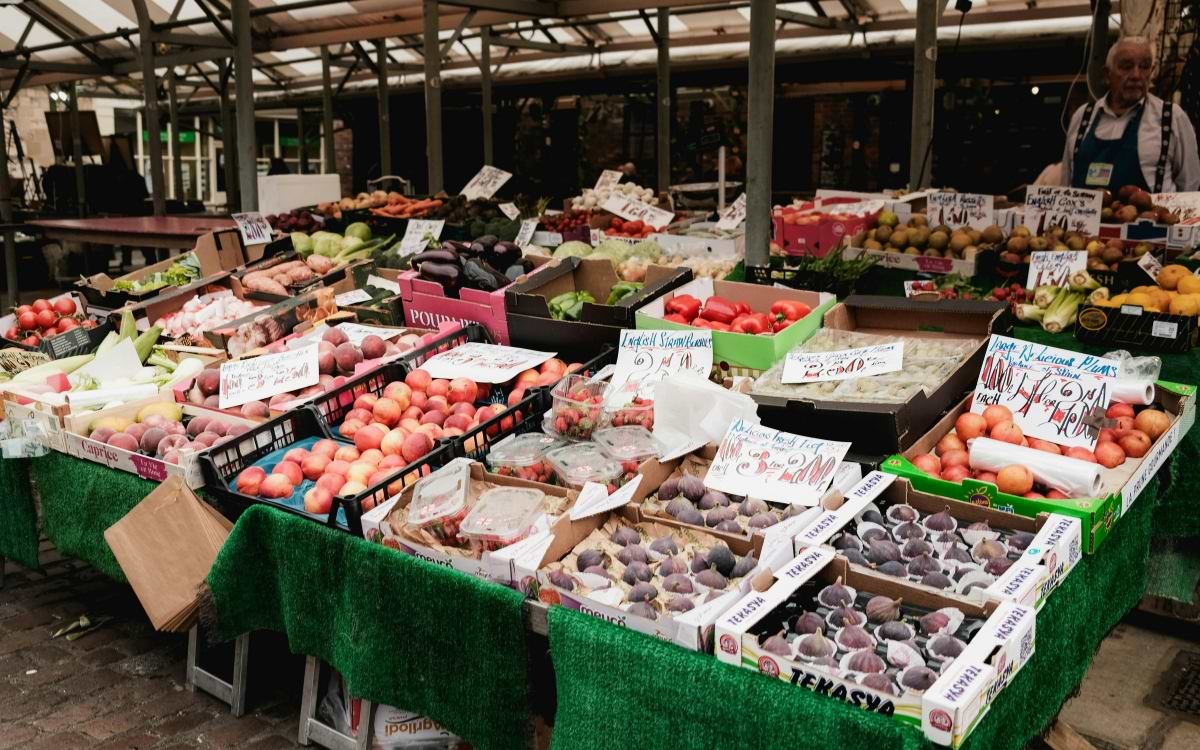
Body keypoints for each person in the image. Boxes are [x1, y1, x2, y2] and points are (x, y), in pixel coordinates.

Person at [1062, 36, 1200, 193]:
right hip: (1084, 217)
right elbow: (1066, 184)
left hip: (1150, 218)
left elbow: (1190, 190)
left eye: (1144, 67)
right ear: (1107, 74)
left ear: (1152, 71)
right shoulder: (1082, 117)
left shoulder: (1171, 118)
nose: (1136, 75)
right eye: (1127, 67)